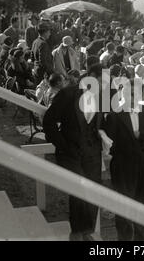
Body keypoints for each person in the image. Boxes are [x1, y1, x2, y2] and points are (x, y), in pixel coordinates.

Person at [43, 64, 105, 241]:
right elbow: (49, 122)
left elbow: (99, 123)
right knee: (79, 191)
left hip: (93, 152)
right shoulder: (67, 94)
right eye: (101, 81)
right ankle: (76, 233)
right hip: (71, 152)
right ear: (91, 76)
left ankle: (87, 231)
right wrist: (63, 145)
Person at [104, 79, 144, 241]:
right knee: (123, 206)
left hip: (143, 166)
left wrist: (142, 135)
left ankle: (140, 240)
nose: (133, 97)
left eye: (136, 93)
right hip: (123, 166)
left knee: (142, 204)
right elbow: (110, 142)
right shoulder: (114, 115)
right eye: (129, 93)